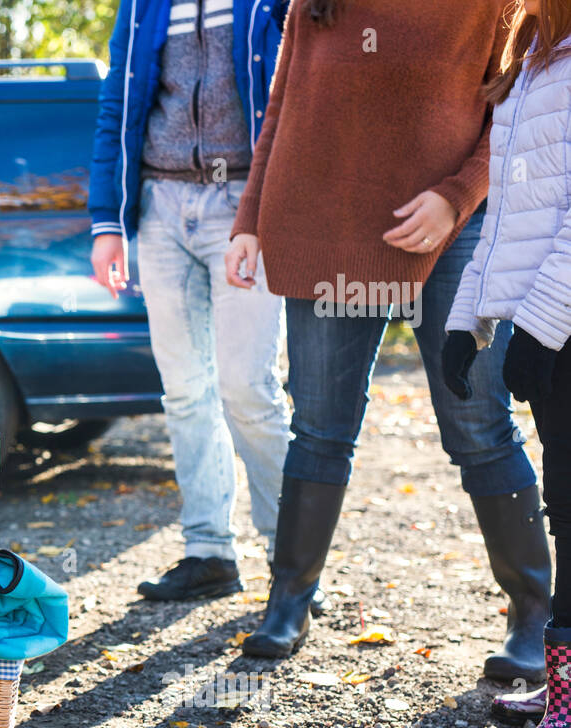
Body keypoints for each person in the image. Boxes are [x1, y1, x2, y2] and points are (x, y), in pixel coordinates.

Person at [224, 0, 552, 685]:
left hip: (451, 232)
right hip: (326, 228)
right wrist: (251, 216)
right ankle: (289, 601)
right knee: (319, 424)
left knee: (479, 423)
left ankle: (534, 612)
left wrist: (459, 195)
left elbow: (514, 107)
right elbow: (282, 107)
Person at [90, 0, 296, 602]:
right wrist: (108, 221)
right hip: (160, 206)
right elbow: (116, 107)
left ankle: (292, 562)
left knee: (247, 387)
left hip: (245, 208)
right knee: (183, 390)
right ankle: (208, 551)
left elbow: (302, 93)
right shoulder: (142, 7)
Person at [444, 0, 571, 728]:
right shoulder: (535, 54)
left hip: (562, 319)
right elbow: (511, 216)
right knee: (564, 503)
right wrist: (471, 320)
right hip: (548, 321)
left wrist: (542, 329)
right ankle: (564, 690)